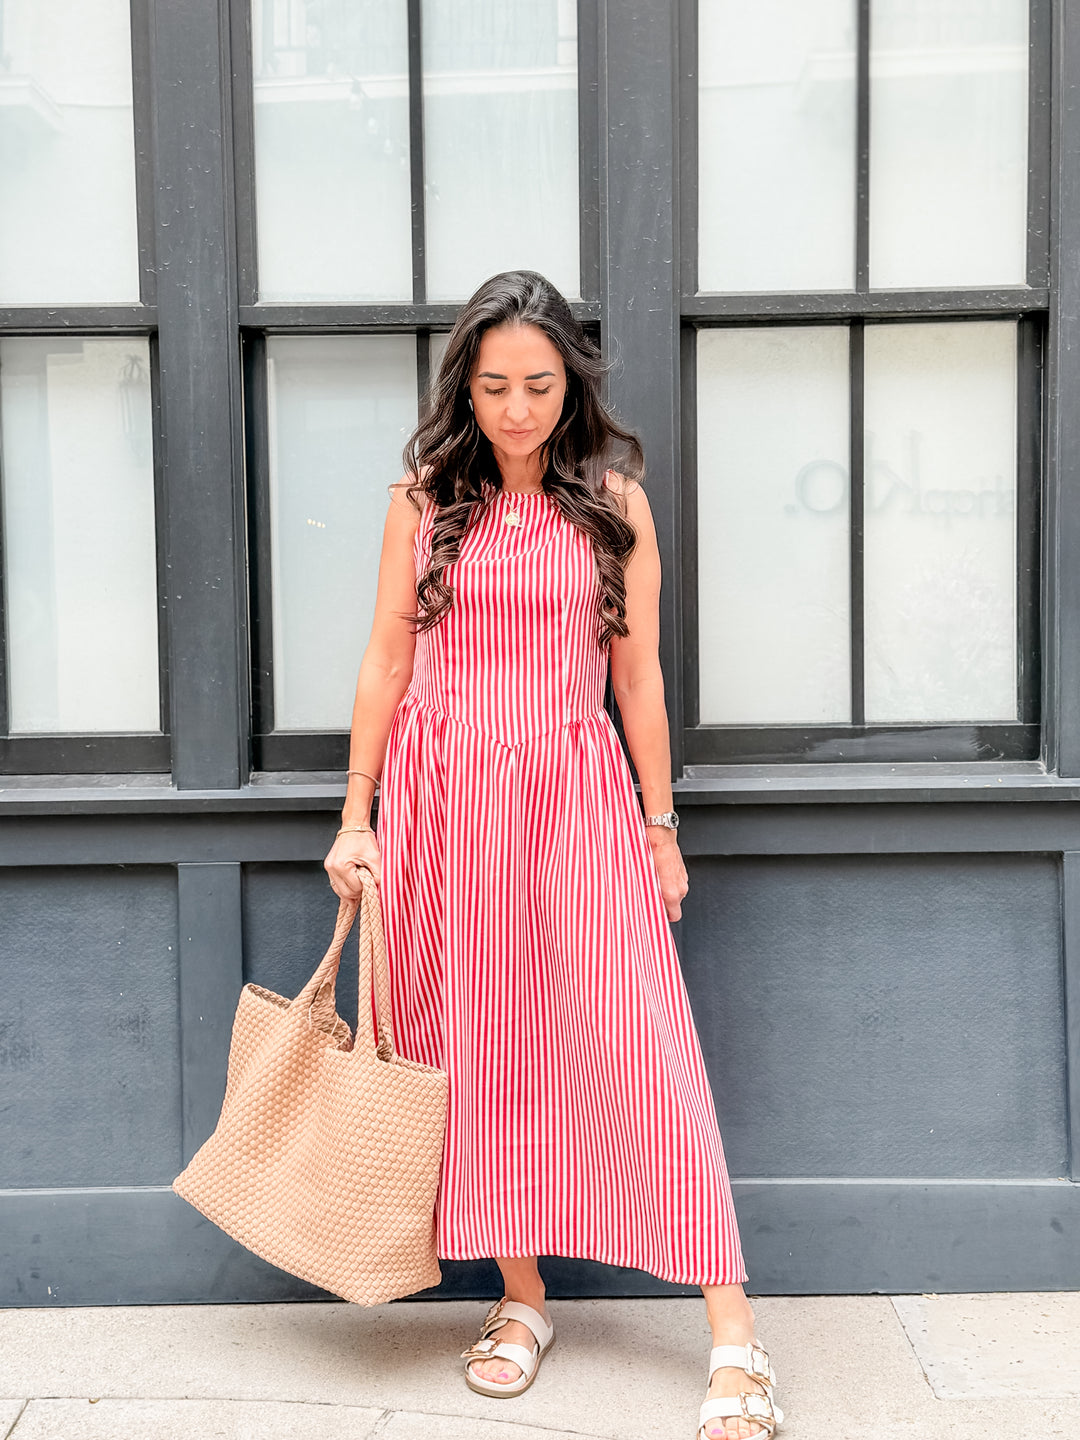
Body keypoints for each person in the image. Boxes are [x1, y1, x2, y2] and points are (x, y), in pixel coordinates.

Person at [323, 270, 784, 1440]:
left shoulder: (614, 505)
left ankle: (733, 1333)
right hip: (440, 804)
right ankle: (521, 1300)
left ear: (569, 383)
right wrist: (355, 815)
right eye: (493, 386)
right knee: (474, 1051)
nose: (517, 408)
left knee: (641, 1046)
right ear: (463, 390)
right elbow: (385, 659)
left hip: (576, 801)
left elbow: (638, 680)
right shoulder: (423, 502)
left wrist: (662, 825)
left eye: (537, 383)